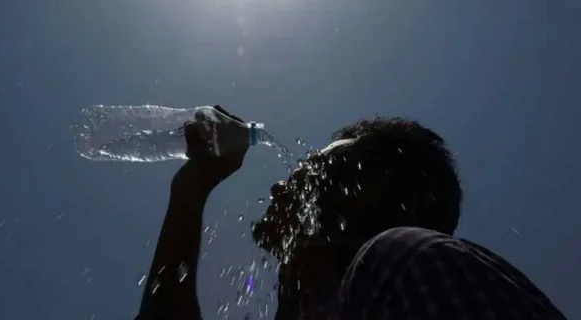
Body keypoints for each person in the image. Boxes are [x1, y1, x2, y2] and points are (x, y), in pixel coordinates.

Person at [137, 106, 566, 319]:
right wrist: (190, 191)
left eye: (319, 172)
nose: (281, 185)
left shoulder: (408, 262)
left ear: (373, 196)